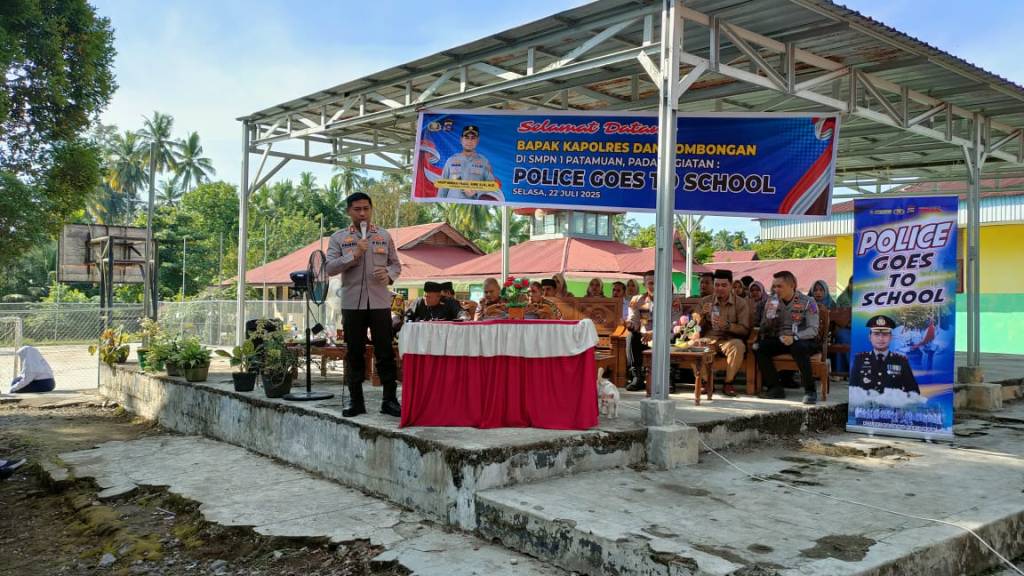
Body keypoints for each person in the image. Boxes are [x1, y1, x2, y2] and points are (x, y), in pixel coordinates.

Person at [326, 192, 402, 418]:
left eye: (366, 208)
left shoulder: (384, 235)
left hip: (379, 302)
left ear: (371, 210)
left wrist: (388, 275)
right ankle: (355, 401)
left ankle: (389, 400)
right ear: (349, 211)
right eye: (357, 209)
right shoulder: (339, 238)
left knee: (386, 352)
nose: (362, 213)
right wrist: (355, 253)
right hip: (352, 303)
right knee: (355, 353)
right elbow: (329, 268)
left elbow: (396, 265)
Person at [754, 270, 821, 404]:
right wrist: (769, 316)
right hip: (781, 339)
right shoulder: (772, 301)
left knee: (798, 347)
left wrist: (795, 337)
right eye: (774, 286)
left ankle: (810, 391)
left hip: (803, 340)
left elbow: (813, 329)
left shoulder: (808, 302)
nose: (776, 290)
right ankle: (775, 388)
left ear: (792, 285)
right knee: (758, 347)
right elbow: (764, 328)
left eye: (780, 286)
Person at [699, 270, 751, 397]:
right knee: (696, 345)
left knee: (738, 345)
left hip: (729, 340)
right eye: (717, 285)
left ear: (731, 285)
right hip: (709, 339)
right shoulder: (706, 301)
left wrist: (728, 325)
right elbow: (694, 328)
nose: (719, 288)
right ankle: (706, 382)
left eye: (723, 285)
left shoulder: (741, 303)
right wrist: (702, 315)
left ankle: (728, 383)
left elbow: (745, 329)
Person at [851, 315, 919, 394]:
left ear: (891, 337)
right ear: (870, 337)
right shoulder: (860, 359)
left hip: (892, 405)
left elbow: (914, 391)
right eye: (876, 334)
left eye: (885, 334)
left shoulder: (901, 361)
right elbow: (853, 389)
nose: (881, 338)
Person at [437, 125, 500, 201]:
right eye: (466, 137)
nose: (469, 141)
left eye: (473, 138)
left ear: (478, 140)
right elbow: (443, 188)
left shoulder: (484, 162)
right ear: (461, 140)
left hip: (473, 207)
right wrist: (439, 202)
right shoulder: (450, 161)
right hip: (452, 205)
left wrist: (477, 192)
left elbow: (491, 186)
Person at [625, 270, 657, 391]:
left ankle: (668, 378)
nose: (653, 286)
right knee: (631, 336)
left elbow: (673, 324)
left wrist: (654, 333)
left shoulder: (671, 300)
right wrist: (630, 324)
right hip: (644, 336)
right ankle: (637, 377)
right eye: (650, 283)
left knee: (673, 336)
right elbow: (634, 320)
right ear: (644, 285)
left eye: (656, 282)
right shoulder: (637, 300)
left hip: (662, 336)